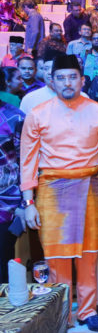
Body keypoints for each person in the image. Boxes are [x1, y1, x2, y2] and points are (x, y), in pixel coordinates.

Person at [21, 55, 98, 332]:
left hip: (91, 185)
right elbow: (28, 160)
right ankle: (60, 312)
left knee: (89, 253)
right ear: (52, 80)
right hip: (51, 188)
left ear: (82, 80)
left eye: (73, 77)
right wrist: (28, 202)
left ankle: (88, 311)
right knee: (56, 256)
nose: (67, 82)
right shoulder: (38, 113)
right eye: (61, 77)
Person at [0, 95, 23, 283]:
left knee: (3, 269)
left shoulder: (15, 117)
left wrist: (25, 204)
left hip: (5, 206)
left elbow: (27, 161)